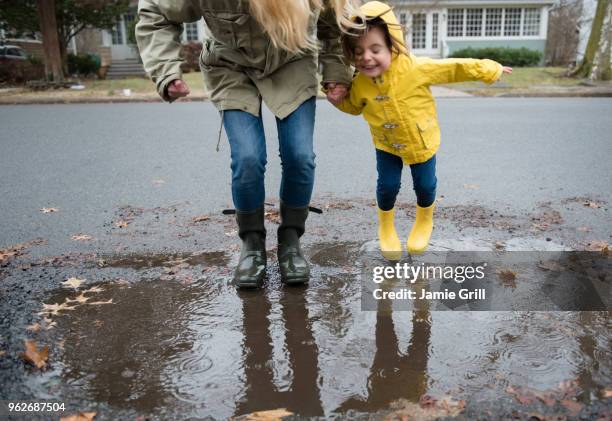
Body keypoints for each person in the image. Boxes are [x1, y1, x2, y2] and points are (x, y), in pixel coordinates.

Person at [136, 0, 362, 288]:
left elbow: (333, 25)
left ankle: (290, 242)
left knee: (300, 156)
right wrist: (166, 71)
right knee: (247, 158)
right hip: (229, 65)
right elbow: (156, 11)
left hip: (291, 59)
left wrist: (336, 72)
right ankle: (252, 244)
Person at [327, 1, 512, 259]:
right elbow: (354, 107)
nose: (366, 57)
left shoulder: (416, 68)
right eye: (358, 52)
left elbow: (454, 68)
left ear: (393, 44)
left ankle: (424, 219)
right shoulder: (360, 84)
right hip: (386, 143)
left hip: (421, 141)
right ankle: (386, 225)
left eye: (375, 49)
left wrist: (489, 69)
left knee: (425, 186)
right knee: (387, 186)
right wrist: (338, 101)